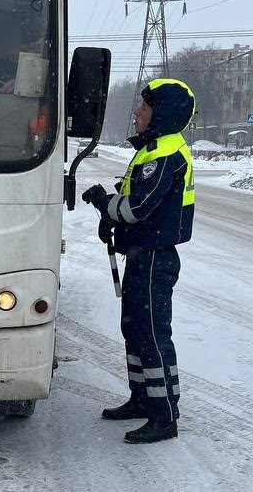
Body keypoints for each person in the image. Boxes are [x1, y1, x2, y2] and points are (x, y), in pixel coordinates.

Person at [82, 78, 196, 444]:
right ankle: (142, 398)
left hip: (153, 258)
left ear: (160, 114)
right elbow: (133, 202)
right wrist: (110, 220)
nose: (136, 113)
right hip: (141, 254)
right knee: (134, 330)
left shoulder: (165, 154)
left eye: (143, 108)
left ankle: (164, 416)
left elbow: (137, 208)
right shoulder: (152, 149)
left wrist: (105, 204)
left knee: (151, 335)